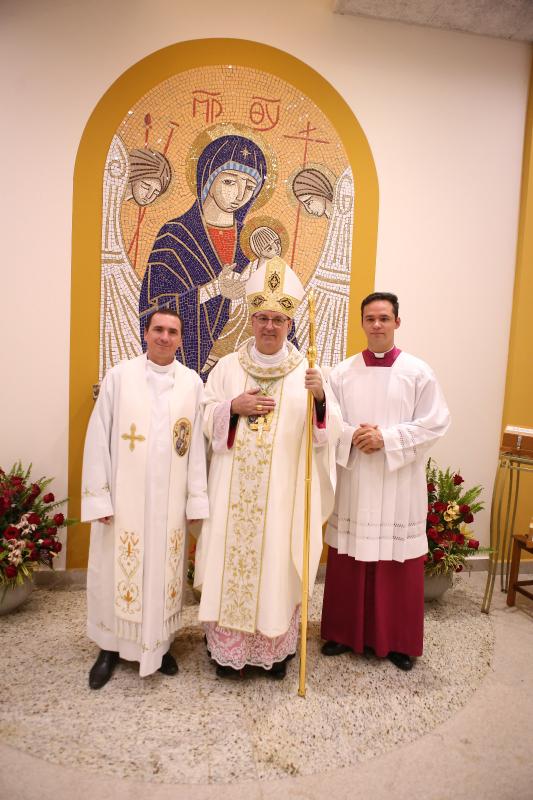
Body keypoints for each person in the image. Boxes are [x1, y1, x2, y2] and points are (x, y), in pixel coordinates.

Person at [194, 256, 341, 679]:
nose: (269, 326)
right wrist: (231, 408)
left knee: (277, 564)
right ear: (251, 319)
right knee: (230, 562)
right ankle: (229, 652)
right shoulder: (227, 367)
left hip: (282, 497)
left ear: (289, 323)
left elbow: (323, 437)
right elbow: (205, 416)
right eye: (261, 317)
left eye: (278, 319)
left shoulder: (308, 374)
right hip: (231, 496)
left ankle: (274, 651)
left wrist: (321, 402)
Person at [321, 292, 450, 671]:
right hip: (357, 477)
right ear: (362, 323)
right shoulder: (341, 373)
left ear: (397, 322)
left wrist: (388, 439)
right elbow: (327, 421)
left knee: (397, 560)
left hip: (397, 484)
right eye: (370, 319)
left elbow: (436, 421)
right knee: (350, 557)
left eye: (384, 318)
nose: (376, 325)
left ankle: (396, 640)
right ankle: (344, 633)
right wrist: (352, 437)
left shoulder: (418, 372)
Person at [81, 309, 209, 688]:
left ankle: (161, 645)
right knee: (115, 571)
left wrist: (195, 501)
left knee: (162, 572)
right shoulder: (120, 377)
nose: (165, 337)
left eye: (172, 332)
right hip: (125, 502)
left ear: (181, 339)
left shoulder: (191, 383)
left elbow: (197, 446)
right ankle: (109, 647)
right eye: (158, 330)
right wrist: (100, 498)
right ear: (146, 333)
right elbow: (98, 438)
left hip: (168, 503)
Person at [139, 134, 268, 378]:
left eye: (250, 187)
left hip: (236, 375)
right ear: (208, 178)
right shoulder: (175, 237)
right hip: (183, 373)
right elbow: (152, 310)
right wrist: (214, 289)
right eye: (230, 182)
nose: (240, 195)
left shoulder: (251, 244)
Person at [199, 224, 284, 376]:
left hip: (261, 316)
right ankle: (211, 364)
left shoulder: (277, 269)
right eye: (269, 247)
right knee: (230, 331)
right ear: (259, 251)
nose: (276, 249)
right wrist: (227, 280)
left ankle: (220, 365)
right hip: (243, 313)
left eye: (276, 243)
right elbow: (243, 284)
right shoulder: (252, 266)